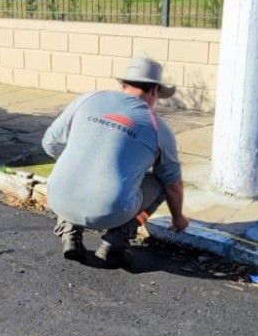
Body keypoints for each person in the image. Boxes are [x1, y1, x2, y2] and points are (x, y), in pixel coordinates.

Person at [41, 55, 189, 268]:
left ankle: (70, 233)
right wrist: (178, 219)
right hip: (112, 210)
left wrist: (83, 160)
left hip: (58, 197)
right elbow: (173, 185)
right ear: (155, 91)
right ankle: (115, 242)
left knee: (74, 165)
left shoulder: (87, 99)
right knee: (160, 183)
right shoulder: (158, 128)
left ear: (122, 85)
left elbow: (50, 144)